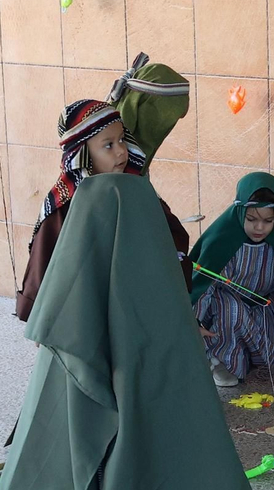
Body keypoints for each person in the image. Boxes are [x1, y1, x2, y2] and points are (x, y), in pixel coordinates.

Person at [0, 171, 264, 490]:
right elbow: (189, 415)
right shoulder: (163, 312)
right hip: (150, 472)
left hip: (86, 469)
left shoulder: (65, 327)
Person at [15, 55, 192, 323]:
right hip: (84, 312)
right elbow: (46, 263)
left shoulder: (133, 184)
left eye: (122, 140)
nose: (121, 151)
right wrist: (38, 313)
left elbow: (168, 234)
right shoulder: (65, 201)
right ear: (83, 155)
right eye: (108, 145)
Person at [189, 172, 274, 387]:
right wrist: (193, 322)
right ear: (240, 212)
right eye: (251, 219)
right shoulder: (222, 240)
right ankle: (222, 361)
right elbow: (203, 286)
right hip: (225, 307)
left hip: (264, 303)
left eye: (268, 221)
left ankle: (245, 358)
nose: (259, 227)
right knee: (233, 312)